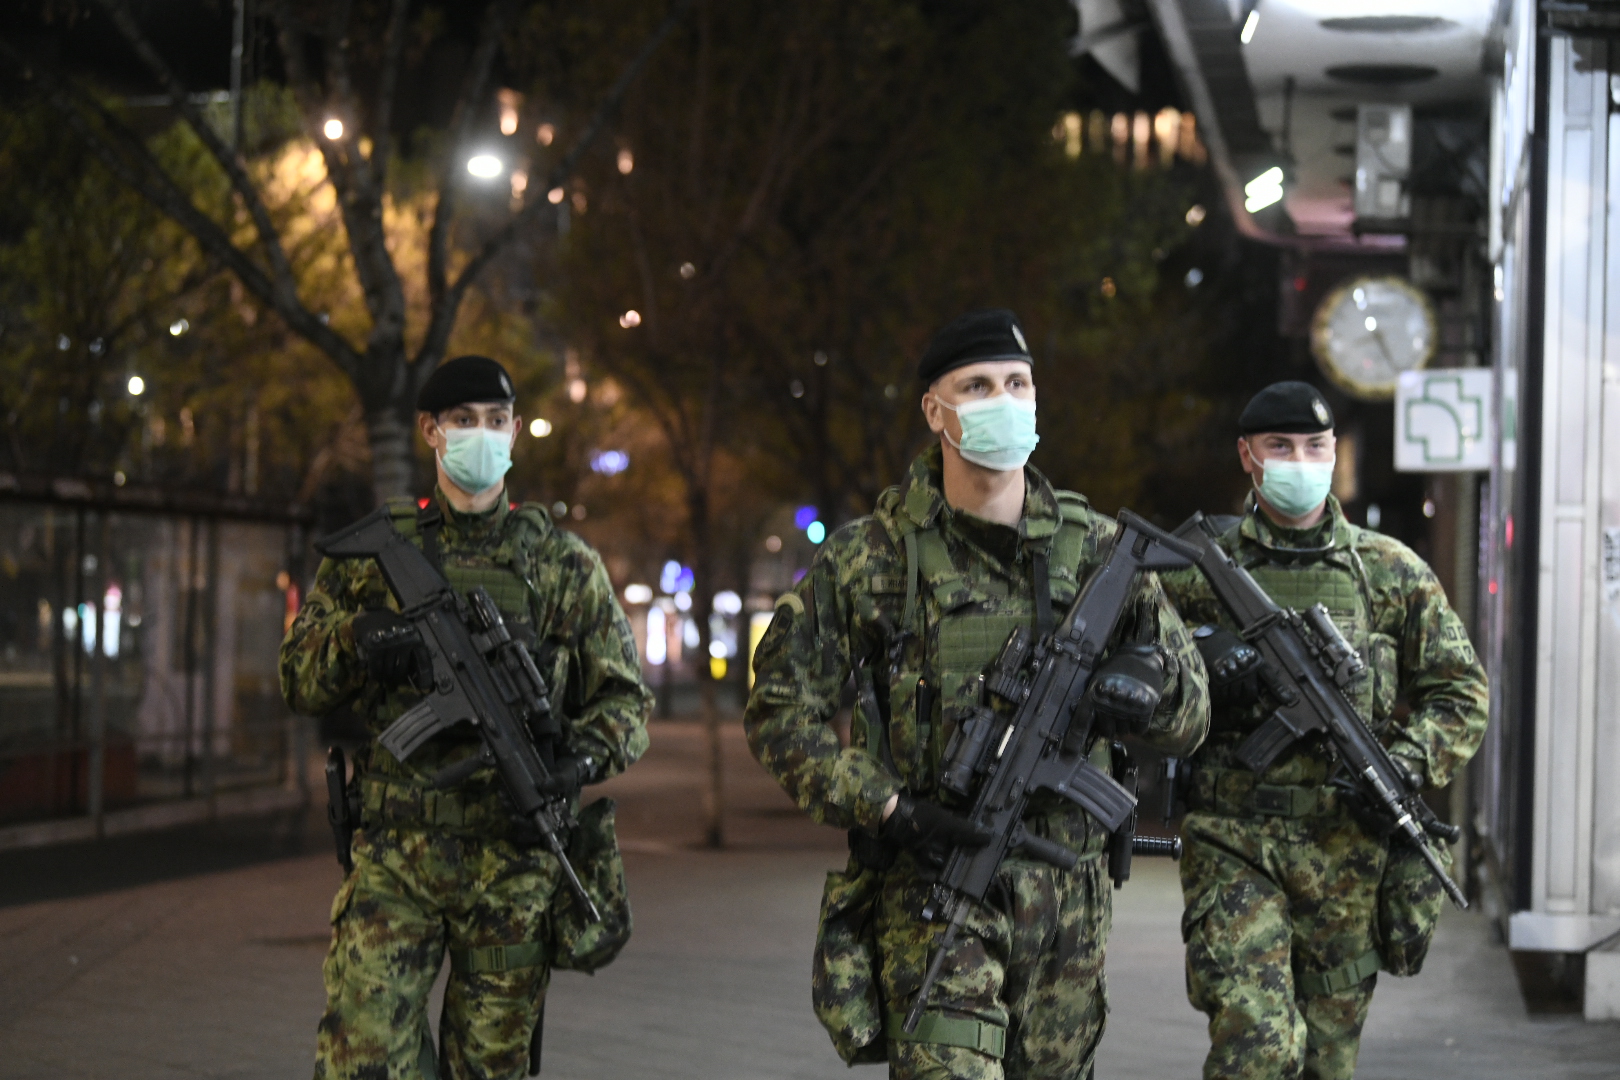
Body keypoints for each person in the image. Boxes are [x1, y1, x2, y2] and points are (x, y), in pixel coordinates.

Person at [745, 309, 1209, 1080]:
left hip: (1068, 911)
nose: (1003, 400)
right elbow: (781, 709)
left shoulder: (1098, 551)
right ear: (936, 410)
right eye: (978, 385)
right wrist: (887, 806)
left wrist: (1141, 686)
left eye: (1017, 384)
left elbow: (1191, 713)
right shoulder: (875, 556)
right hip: (936, 892)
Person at [281, 355, 652, 1080]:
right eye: (462, 422)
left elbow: (627, 705)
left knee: (491, 1069)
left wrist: (574, 763)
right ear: (431, 431)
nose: (480, 436)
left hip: (511, 865)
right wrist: (360, 639)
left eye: (494, 422)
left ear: (515, 432)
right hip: (396, 857)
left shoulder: (561, 564)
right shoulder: (374, 556)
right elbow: (299, 679)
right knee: (362, 1063)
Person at [1159, 381, 1488, 1080]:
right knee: (1258, 1045)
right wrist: (1204, 668)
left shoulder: (1389, 571)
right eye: (1280, 446)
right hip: (1231, 841)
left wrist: (1405, 762)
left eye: (1313, 446)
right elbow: (1142, 689)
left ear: (1334, 454)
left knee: (1325, 1062)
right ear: (1249, 456)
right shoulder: (1195, 571)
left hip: (1348, 852)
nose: (1298, 459)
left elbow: (1460, 692)